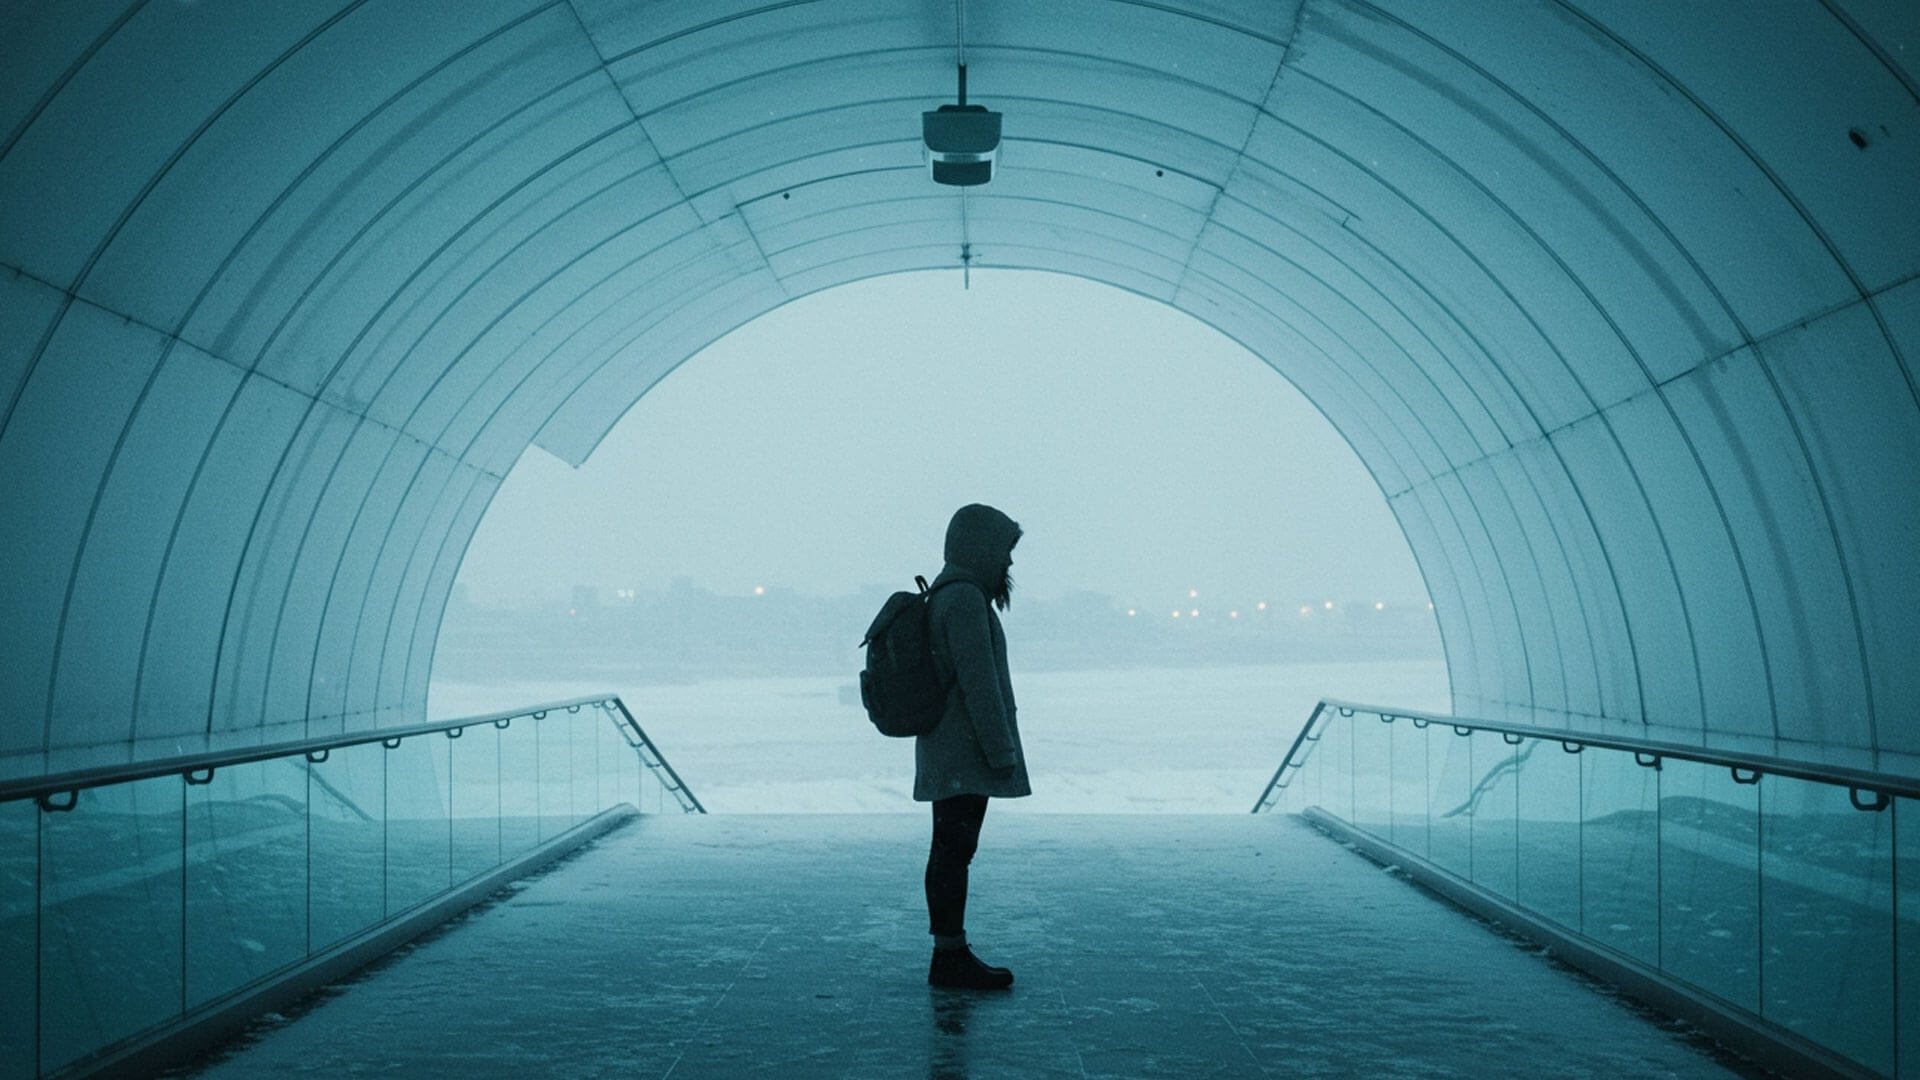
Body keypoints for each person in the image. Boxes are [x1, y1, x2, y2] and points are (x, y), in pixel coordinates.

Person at [917, 503, 1030, 990]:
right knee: (953, 851)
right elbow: (979, 685)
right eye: (1004, 550)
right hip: (964, 752)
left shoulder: (952, 593)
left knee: (950, 849)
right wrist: (1000, 752)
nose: (1008, 562)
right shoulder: (963, 599)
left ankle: (950, 952)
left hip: (951, 748)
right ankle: (949, 957)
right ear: (980, 547)